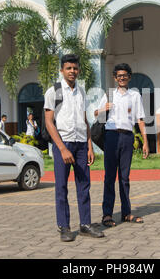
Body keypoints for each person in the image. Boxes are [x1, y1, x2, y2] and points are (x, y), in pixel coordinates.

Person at [44, 54, 104, 242]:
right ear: (62, 70)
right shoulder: (54, 91)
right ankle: (64, 227)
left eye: (75, 68)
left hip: (80, 144)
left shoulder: (81, 91)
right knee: (61, 187)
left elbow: (84, 120)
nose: (72, 71)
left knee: (84, 185)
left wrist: (89, 146)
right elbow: (48, 122)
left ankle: (85, 224)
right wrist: (62, 148)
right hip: (64, 143)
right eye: (68, 68)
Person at [94, 63, 149, 228]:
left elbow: (140, 119)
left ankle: (126, 213)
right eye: (119, 76)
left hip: (127, 137)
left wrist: (145, 141)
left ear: (129, 77)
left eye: (125, 75)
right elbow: (96, 113)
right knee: (109, 177)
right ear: (115, 78)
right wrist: (103, 108)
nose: (122, 78)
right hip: (111, 136)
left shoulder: (135, 95)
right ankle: (107, 215)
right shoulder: (109, 95)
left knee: (124, 178)